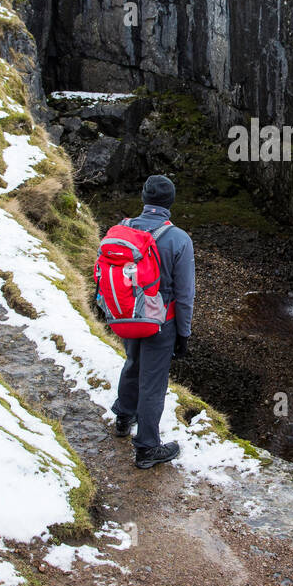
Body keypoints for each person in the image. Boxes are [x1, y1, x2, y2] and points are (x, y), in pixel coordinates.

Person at [110, 174, 195, 469]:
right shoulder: (178, 239)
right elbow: (184, 295)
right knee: (153, 384)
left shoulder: (124, 229)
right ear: (170, 203)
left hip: (127, 313)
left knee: (132, 363)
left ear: (144, 199)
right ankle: (147, 448)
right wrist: (183, 333)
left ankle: (123, 417)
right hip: (161, 323)